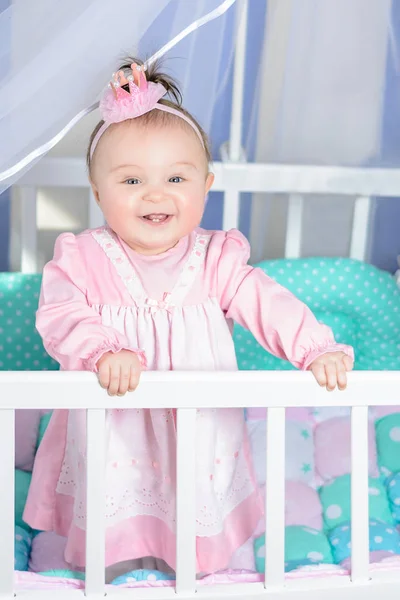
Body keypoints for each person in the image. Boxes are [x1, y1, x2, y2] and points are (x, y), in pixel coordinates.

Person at [24, 59, 354, 577]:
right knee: (117, 499)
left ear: (206, 184)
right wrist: (102, 350)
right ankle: (114, 574)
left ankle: (205, 572)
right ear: (96, 191)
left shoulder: (217, 260)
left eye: (176, 177)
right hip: (115, 429)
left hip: (200, 428)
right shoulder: (82, 258)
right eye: (131, 179)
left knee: (199, 496)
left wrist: (316, 348)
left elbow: (267, 302)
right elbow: (60, 313)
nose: (155, 194)